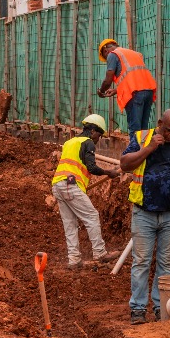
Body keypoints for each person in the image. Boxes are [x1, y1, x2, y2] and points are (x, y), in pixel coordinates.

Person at [120, 108, 170, 324]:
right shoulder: (141, 138)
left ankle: (160, 308)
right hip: (144, 212)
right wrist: (149, 148)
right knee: (142, 262)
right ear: (159, 123)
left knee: (167, 265)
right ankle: (137, 309)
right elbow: (125, 164)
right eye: (168, 130)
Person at [51, 115, 123, 269]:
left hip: (58, 184)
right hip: (70, 184)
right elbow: (91, 167)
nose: (99, 138)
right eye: (99, 134)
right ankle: (100, 252)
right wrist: (108, 172)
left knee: (70, 223)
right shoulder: (88, 142)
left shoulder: (70, 142)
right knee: (91, 216)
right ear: (92, 131)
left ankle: (74, 259)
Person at [97, 39, 158, 143]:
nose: (107, 59)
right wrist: (116, 90)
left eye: (105, 56)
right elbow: (134, 77)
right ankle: (143, 155)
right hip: (148, 91)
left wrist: (101, 91)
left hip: (135, 94)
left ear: (105, 49)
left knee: (135, 130)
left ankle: (134, 156)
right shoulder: (134, 53)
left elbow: (108, 79)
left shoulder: (113, 54)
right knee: (143, 130)